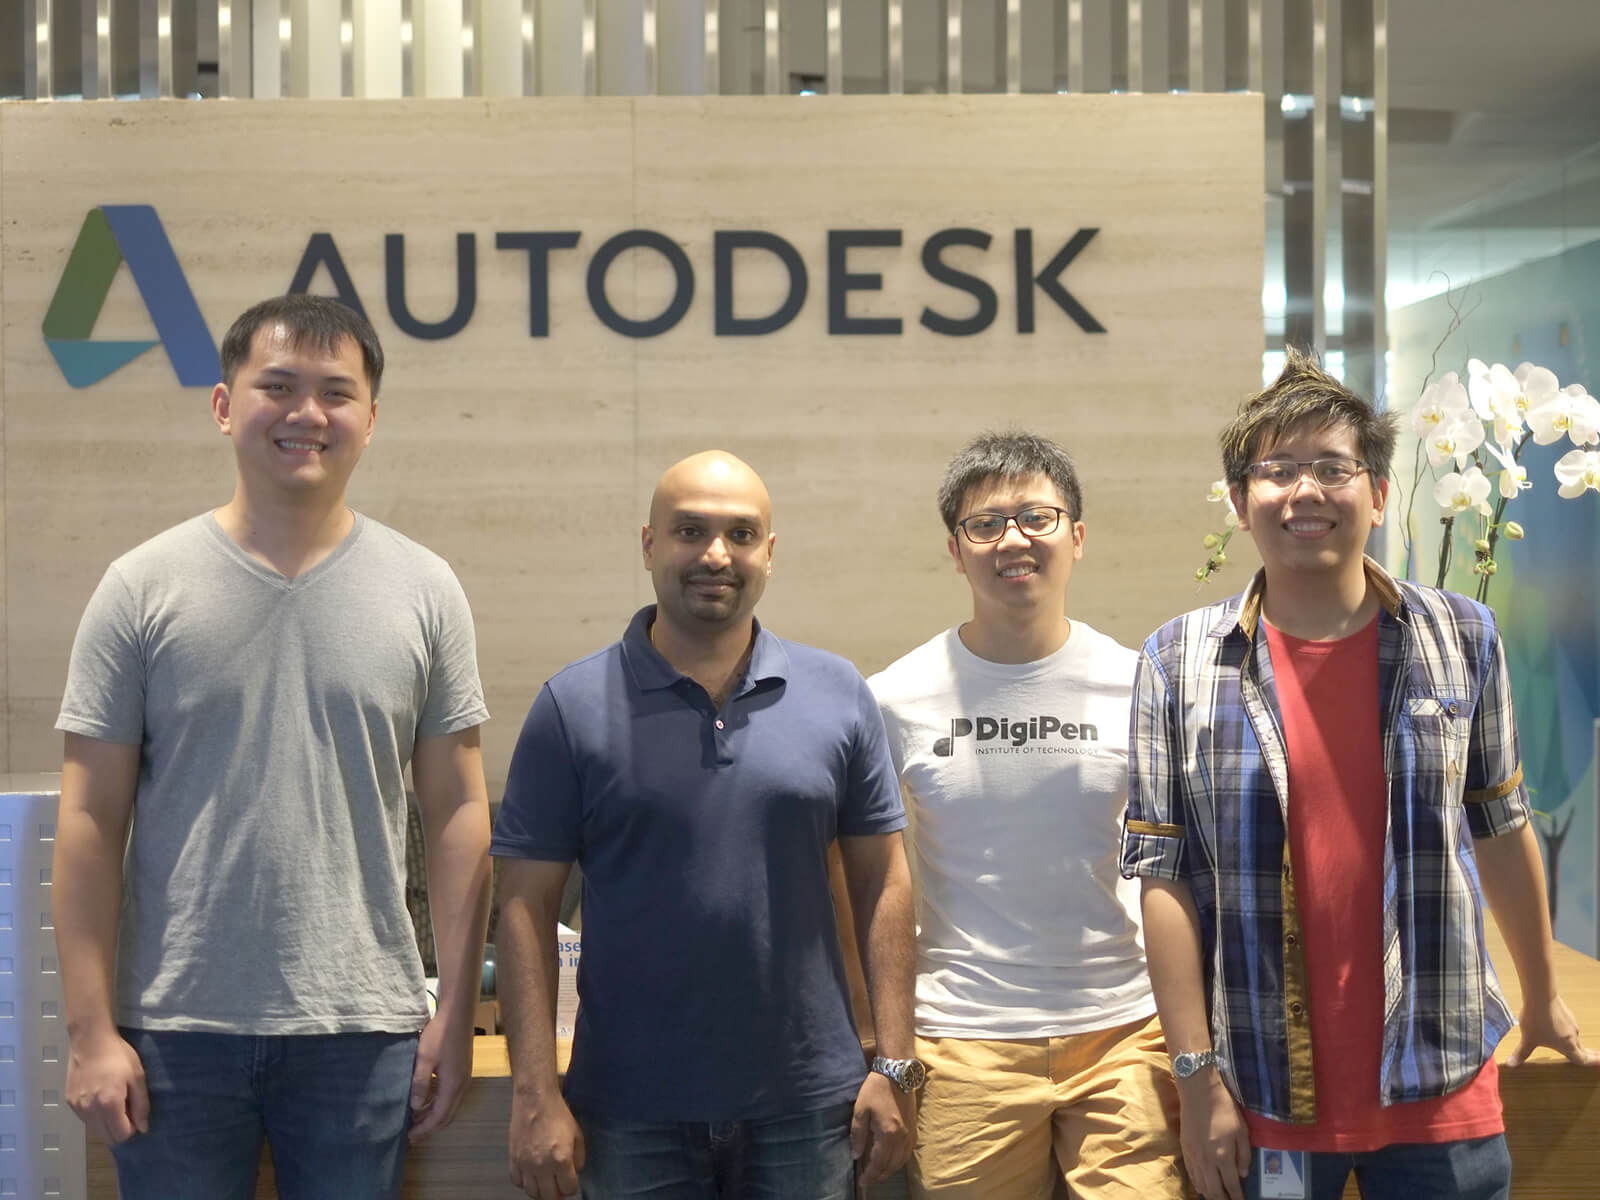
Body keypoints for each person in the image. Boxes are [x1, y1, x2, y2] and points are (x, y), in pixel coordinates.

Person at [1122, 349, 1600, 1200]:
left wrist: (1541, 995)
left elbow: (1500, 821)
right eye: (1277, 471)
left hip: (1440, 1080)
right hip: (1262, 1086)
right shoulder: (1178, 660)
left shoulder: (1462, 637)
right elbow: (1161, 882)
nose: (1305, 491)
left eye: (1333, 468)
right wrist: (1196, 1080)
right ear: (1239, 504)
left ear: (1378, 494)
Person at [54, 295, 494, 1199]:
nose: (307, 414)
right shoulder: (140, 589)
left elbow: (458, 810)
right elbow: (89, 821)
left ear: (371, 420)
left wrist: (453, 1009)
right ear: (224, 405)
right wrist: (90, 1030)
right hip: (173, 1028)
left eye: (337, 392)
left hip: (363, 1028)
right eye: (278, 386)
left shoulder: (425, 589)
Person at [493, 450, 919, 1200]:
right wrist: (535, 1092)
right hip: (628, 1111)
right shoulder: (572, 706)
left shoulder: (838, 693)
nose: (715, 555)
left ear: (770, 553)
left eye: (740, 534)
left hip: (809, 1104)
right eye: (690, 531)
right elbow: (524, 907)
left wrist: (894, 1061)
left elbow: (883, 878)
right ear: (650, 544)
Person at [869, 431, 1184, 1199]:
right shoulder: (893, 699)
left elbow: (1176, 869)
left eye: (1037, 517)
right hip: (963, 1038)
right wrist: (887, 1051)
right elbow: (871, 882)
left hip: (1125, 1032)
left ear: (1076, 537)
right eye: (986, 524)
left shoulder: (1142, 684)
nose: (1013, 539)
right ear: (956, 550)